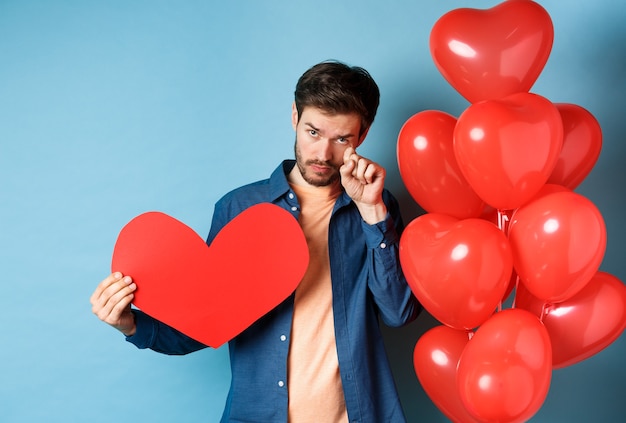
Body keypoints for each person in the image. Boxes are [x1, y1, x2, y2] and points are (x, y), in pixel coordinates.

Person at [91, 60, 421, 422]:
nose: (323, 155)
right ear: (295, 116)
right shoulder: (239, 208)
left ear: (363, 134)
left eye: (341, 139)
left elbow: (398, 312)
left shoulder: (376, 207)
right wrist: (132, 325)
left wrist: (373, 213)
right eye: (313, 132)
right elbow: (204, 325)